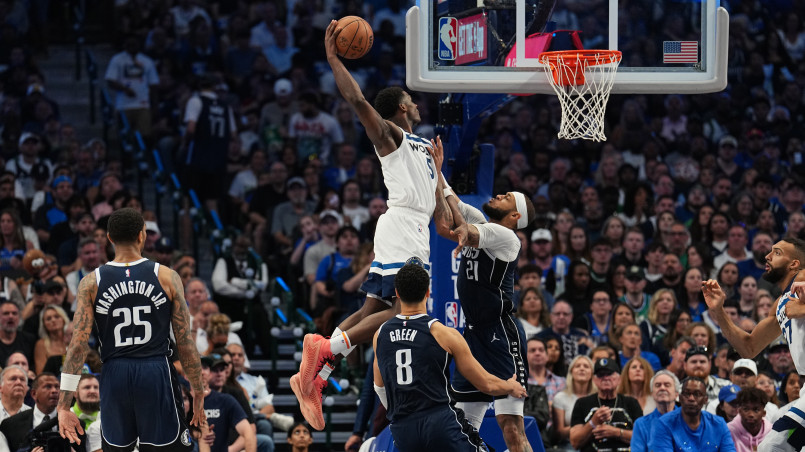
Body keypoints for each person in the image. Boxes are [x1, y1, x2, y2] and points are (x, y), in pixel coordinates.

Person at [292, 20, 454, 430]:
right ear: (400, 107)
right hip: (402, 225)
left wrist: (439, 174)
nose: (417, 104)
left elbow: (441, 217)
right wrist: (333, 59)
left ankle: (314, 378)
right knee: (402, 310)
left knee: (373, 309)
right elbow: (357, 99)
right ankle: (326, 349)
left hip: (414, 228)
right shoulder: (391, 137)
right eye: (411, 100)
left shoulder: (424, 147)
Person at [57, 208, 207, 449]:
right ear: (142, 235)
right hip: (155, 370)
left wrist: (64, 405)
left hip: (114, 373)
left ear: (109, 238)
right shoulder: (167, 276)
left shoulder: (90, 282)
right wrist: (198, 390)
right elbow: (185, 342)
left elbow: (77, 345)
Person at [372, 263, 527, 451]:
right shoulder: (443, 333)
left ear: (396, 293)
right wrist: (510, 386)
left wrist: (401, 413)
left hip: (403, 429)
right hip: (439, 422)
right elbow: (486, 384)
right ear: (428, 292)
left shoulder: (380, 334)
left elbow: (379, 387)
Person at [437, 185, 536, 452]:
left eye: (507, 198)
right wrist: (435, 173)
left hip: (500, 334)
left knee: (511, 426)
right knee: (463, 427)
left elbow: (462, 230)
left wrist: (443, 195)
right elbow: (449, 208)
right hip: (473, 334)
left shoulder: (506, 236)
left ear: (515, 216)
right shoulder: (482, 222)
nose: (500, 195)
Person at [702, 236, 805, 452]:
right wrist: (718, 311)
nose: (767, 256)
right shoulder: (781, 303)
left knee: (772, 447)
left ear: (794, 264)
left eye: (777, 252)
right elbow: (748, 348)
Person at [570, 357, 643, 452]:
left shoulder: (631, 403)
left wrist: (616, 432)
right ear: (594, 380)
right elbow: (575, 442)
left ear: (619, 379)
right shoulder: (582, 403)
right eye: (600, 375)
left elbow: (642, 437)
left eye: (609, 374)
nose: (605, 378)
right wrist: (593, 422)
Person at [649, 377, 736, 452]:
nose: (691, 398)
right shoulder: (664, 424)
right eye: (687, 394)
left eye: (697, 394)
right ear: (680, 398)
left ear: (705, 400)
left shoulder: (719, 424)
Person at [0, 373, 60, 451]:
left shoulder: (72, 423)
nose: (54, 391)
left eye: (57, 387)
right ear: (34, 394)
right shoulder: (10, 425)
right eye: (48, 387)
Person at [630, 370, 680, 452]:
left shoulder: (688, 421)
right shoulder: (641, 424)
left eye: (667, 385)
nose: (662, 388)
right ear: (652, 394)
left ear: (676, 393)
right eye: (658, 385)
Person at [729, 387, 772, 452]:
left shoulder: (772, 432)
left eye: (756, 410)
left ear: (764, 413)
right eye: (746, 409)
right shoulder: (729, 431)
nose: (751, 414)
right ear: (739, 411)